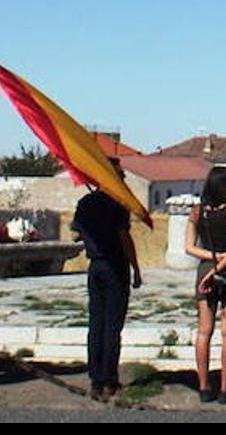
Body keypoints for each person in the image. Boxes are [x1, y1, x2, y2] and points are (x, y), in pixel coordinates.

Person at [71, 158, 142, 402]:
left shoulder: (85, 203)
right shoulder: (117, 204)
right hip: (114, 265)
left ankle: (95, 379)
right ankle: (109, 380)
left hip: (95, 267)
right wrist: (136, 268)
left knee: (96, 324)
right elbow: (124, 239)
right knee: (112, 326)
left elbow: (77, 234)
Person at [184, 166, 226, 404]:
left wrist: (211, 261)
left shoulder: (197, 213)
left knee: (204, 331)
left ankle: (203, 386)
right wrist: (222, 260)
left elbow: (189, 247)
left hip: (204, 269)